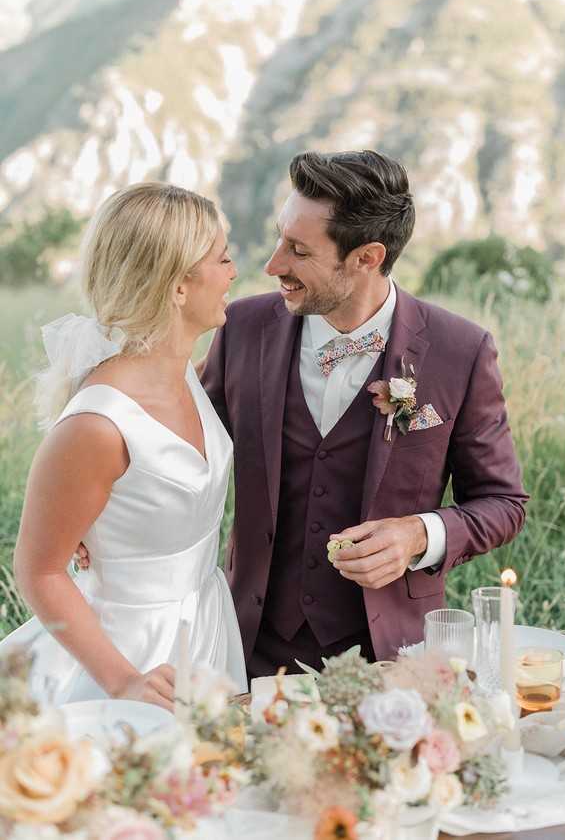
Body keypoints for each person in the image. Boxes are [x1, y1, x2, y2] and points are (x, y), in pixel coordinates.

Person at [201, 150, 528, 679]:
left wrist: (419, 535)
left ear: (366, 257)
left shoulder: (459, 351)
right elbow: (175, 443)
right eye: (280, 238)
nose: (273, 264)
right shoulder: (240, 328)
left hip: (394, 657)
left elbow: (503, 502)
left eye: (298, 250)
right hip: (248, 645)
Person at [0, 182, 247, 709]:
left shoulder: (184, 374)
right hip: (123, 655)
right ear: (177, 285)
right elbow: (38, 569)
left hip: (203, 627)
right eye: (222, 259)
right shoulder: (98, 424)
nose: (233, 273)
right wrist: (124, 682)